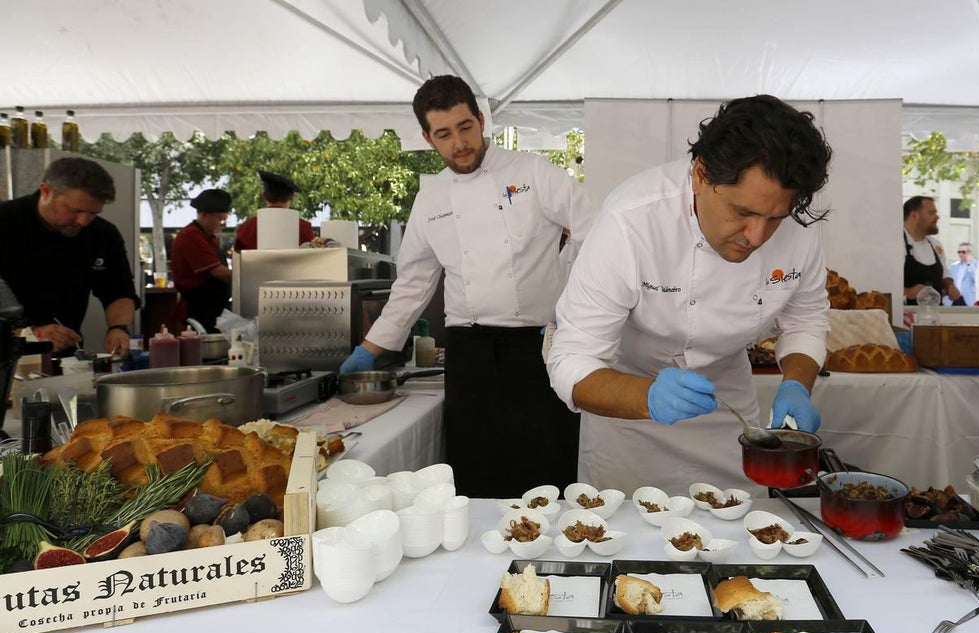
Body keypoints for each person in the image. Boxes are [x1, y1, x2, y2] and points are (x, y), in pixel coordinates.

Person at [546, 94, 832, 493]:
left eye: (774, 219)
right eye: (744, 212)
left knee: (740, 521)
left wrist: (797, 384)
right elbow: (572, 359)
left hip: (728, 412)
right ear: (700, 175)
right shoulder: (631, 220)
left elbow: (806, 320)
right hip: (628, 410)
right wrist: (648, 396)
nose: (756, 237)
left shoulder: (799, 229)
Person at [340, 75, 598, 498]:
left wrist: (569, 303)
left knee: (548, 468)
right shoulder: (431, 198)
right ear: (428, 138)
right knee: (477, 472)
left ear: (480, 120)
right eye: (444, 134)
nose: (459, 143)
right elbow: (413, 282)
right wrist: (371, 348)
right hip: (469, 353)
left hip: (537, 349)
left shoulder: (532, 172)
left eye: (465, 127)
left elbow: (596, 234)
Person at [0, 157, 139, 355]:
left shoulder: (102, 234)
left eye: (93, 213)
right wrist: (27, 334)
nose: (83, 222)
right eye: (76, 210)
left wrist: (119, 328)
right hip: (7, 354)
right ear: (46, 191)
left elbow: (119, 290)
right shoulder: (5, 221)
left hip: (66, 356)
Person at [171, 189, 233, 333]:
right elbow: (218, 272)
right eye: (220, 219)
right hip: (198, 311)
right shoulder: (191, 236)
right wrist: (246, 278)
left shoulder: (209, 237)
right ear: (204, 214)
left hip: (213, 310)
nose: (223, 224)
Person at [903, 196, 963, 305]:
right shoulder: (895, 245)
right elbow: (883, 282)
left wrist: (949, 286)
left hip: (935, 312)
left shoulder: (935, 244)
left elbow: (945, 273)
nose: (937, 217)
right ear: (914, 215)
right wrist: (908, 292)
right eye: (931, 213)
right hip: (906, 313)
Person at [233, 171, 314, 251]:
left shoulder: (246, 228)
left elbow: (238, 255)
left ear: (264, 196)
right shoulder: (304, 227)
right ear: (292, 197)